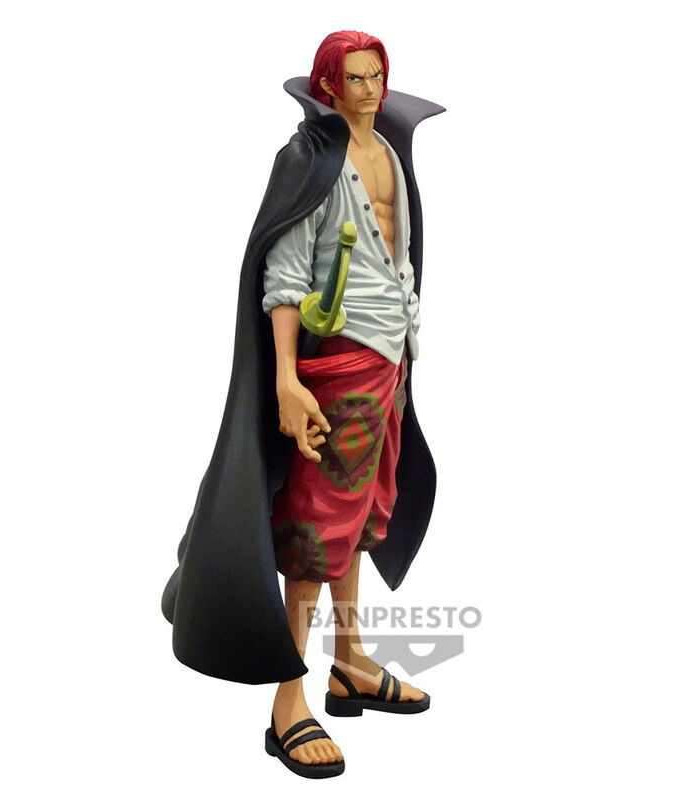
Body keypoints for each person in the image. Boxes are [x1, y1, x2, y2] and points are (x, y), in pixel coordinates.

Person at [161, 30, 444, 779]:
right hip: (335, 367)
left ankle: (349, 661)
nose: (370, 90)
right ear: (328, 85)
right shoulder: (307, 160)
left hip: (388, 360)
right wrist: (287, 379)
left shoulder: (390, 151)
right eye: (355, 79)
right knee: (317, 530)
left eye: (377, 76)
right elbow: (284, 275)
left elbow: (400, 255)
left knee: (363, 515)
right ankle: (289, 701)